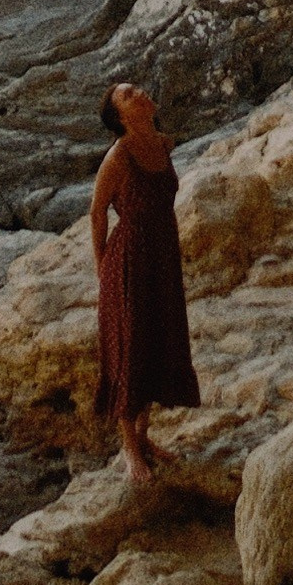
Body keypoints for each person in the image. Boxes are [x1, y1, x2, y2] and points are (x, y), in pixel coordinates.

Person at [91, 78, 199, 481]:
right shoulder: (117, 158)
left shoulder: (163, 144)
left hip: (162, 255)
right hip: (130, 258)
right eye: (128, 94)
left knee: (158, 340)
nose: (139, 93)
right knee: (130, 348)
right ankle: (129, 450)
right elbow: (98, 212)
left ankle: (143, 435)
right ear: (121, 117)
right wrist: (102, 265)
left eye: (136, 88)